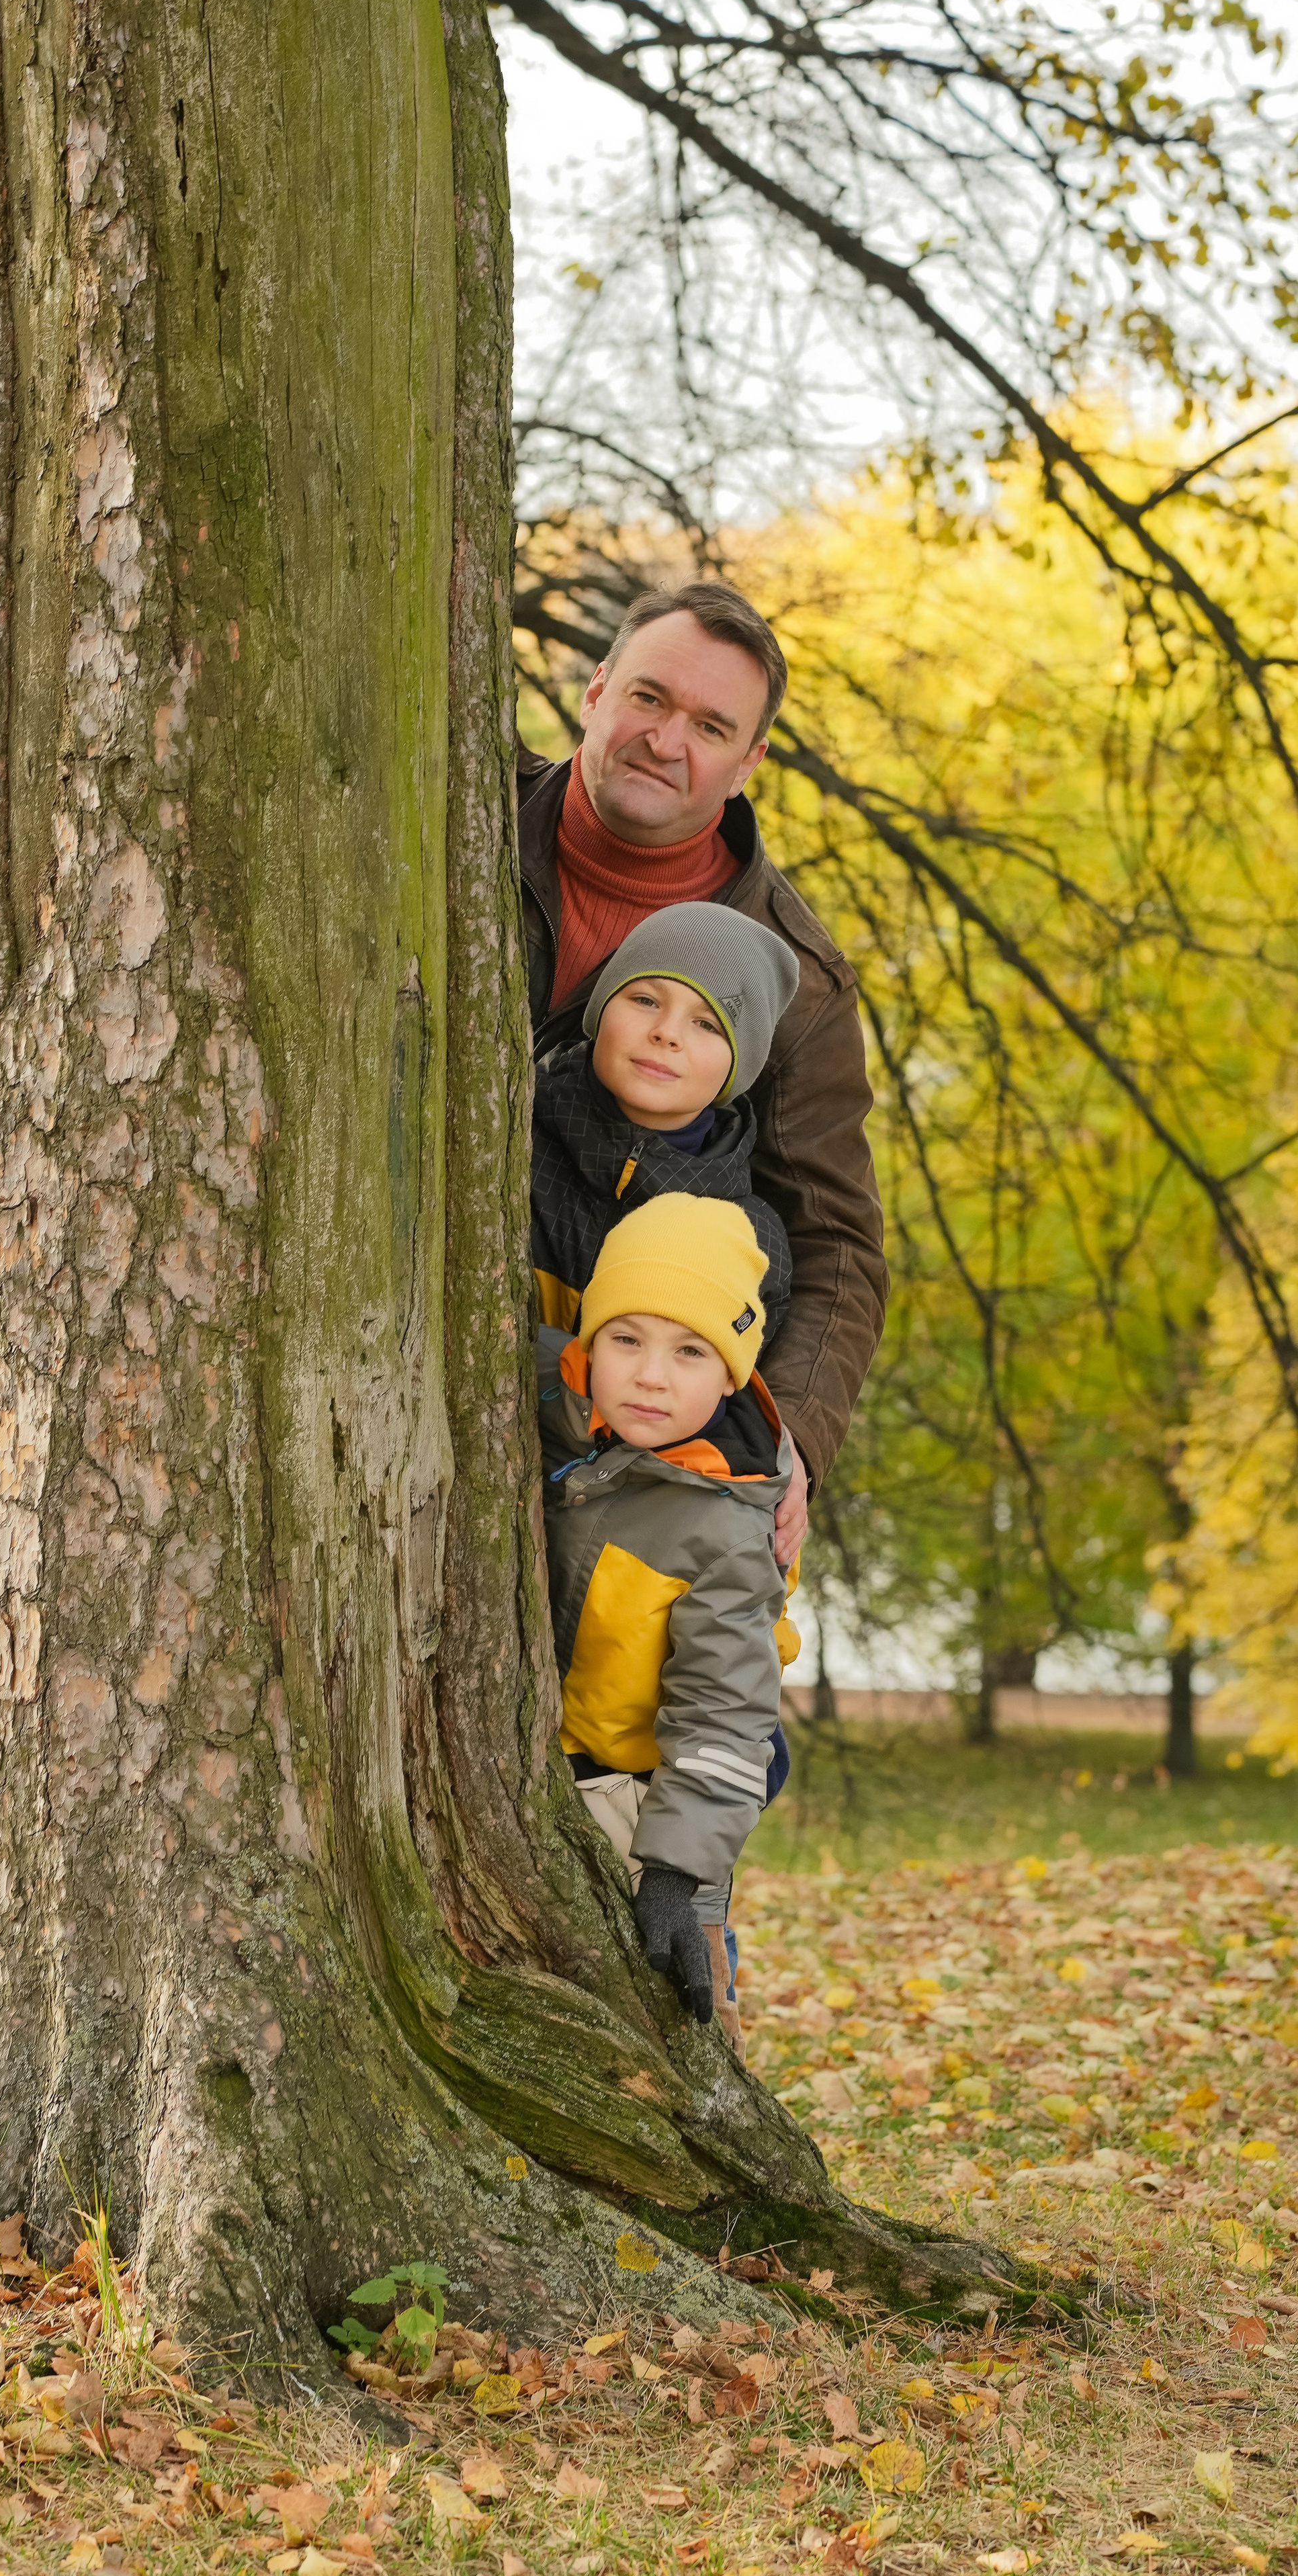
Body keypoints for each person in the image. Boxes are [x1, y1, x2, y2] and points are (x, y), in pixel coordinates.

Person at [519, 581, 887, 1567]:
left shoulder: (797, 980)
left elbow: (840, 1244)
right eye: (649, 699)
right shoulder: (458, 812)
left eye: (711, 725)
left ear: (748, 761)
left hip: (614, 1428)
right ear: (596, 692)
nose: (666, 740)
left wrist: (789, 1434)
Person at [539, 1193, 793, 2044]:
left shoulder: (721, 1531)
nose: (651, 1374)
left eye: (690, 1352)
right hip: (555, 1770)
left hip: (655, 1801)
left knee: (680, 2006)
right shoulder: (557, 1415)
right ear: (588, 1342)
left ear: (730, 1375)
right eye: (626, 1339)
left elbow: (725, 1714)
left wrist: (674, 1873)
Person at [530, 900, 799, 1345]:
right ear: (601, 1008)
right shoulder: (512, 1137)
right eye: (645, 999)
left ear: (740, 1065)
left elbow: (714, 1406)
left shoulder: (749, 1243)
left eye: (707, 1025)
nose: (667, 1032)